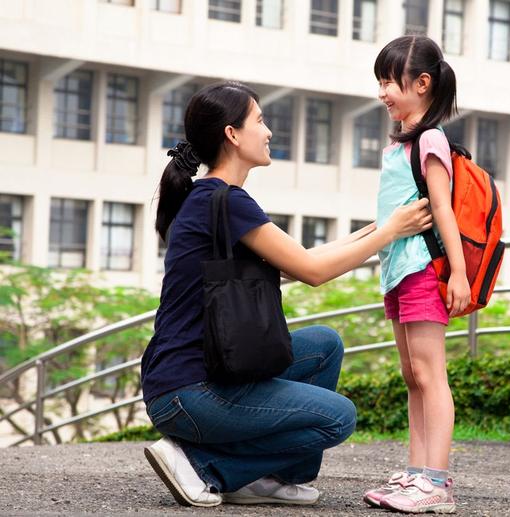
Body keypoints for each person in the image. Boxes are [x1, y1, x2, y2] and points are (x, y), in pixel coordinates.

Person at [140, 81, 433, 508]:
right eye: (259, 120)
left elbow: (298, 261)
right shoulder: (225, 201)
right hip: (189, 391)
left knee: (324, 346)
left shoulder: (215, 200)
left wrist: (378, 230)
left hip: (189, 380)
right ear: (232, 135)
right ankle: (204, 466)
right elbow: (312, 272)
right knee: (338, 417)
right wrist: (392, 230)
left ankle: (273, 477)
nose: (269, 131)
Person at [362, 36, 471, 514]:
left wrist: (459, 275)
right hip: (397, 272)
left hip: (424, 271)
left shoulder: (430, 139)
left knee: (430, 374)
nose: (383, 91)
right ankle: (416, 472)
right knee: (412, 375)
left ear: (422, 84)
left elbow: (443, 209)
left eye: (390, 81)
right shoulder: (399, 143)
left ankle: (436, 482)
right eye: (380, 81)